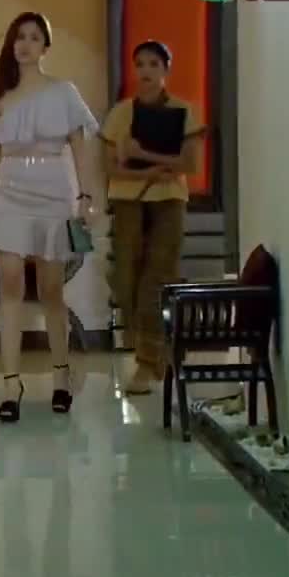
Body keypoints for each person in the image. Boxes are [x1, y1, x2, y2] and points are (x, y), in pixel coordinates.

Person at [0, 11, 104, 423]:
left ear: (45, 47)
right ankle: (10, 384)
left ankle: (61, 377)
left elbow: (80, 149)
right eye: (20, 36)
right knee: (10, 285)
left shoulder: (63, 92)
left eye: (34, 37)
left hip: (53, 190)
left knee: (51, 290)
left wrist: (86, 197)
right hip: (9, 192)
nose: (26, 44)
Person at [102, 40, 204, 395]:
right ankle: (153, 350)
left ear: (166, 70)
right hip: (128, 200)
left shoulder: (184, 111)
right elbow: (109, 167)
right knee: (125, 277)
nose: (145, 71)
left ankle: (148, 362)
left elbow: (190, 164)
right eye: (140, 64)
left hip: (168, 201)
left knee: (157, 279)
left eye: (153, 64)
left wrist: (143, 154)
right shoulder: (121, 113)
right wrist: (150, 170)